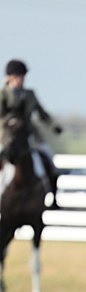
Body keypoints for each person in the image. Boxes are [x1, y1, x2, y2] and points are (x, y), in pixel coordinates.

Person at [0, 59, 63, 207]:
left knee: (49, 158)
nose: (21, 80)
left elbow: (42, 114)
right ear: (10, 77)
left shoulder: (30, 94)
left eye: (22, 77)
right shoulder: (2, 95)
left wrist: (54, 126)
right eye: (18, 77)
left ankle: (53, 198)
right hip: (6, 139)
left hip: (28, 138)